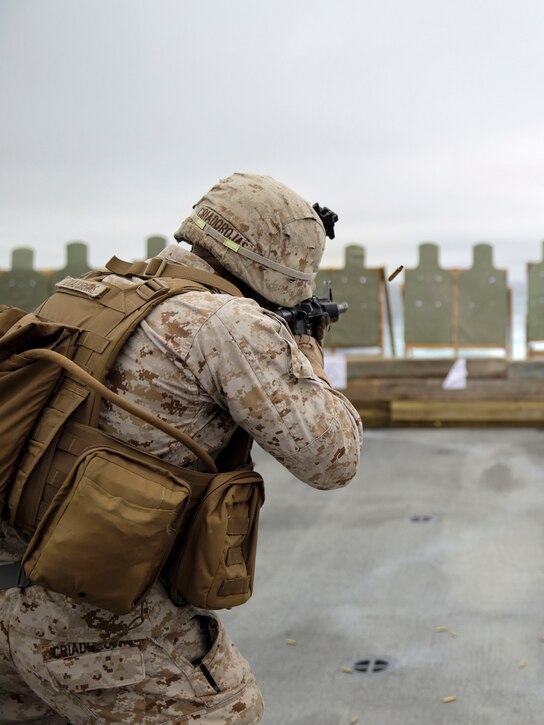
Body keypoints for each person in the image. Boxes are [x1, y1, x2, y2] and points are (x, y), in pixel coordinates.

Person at [0, 173, 363, 723]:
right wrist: (308, 355)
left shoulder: (96, 291)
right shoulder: (227, 321)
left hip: (12, 598)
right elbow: (332, 458)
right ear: (279, 263)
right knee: (229, 710)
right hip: (101, 624)